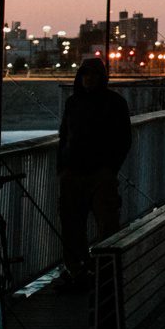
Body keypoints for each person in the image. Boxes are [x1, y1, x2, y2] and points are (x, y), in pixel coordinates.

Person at [57, 56, 133, 282]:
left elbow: (124, 139)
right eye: (85, 75)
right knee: (71, 226)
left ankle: (106, 272)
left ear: (102, 78)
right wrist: (62, 168)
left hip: (101, 174)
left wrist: (111, 169)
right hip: (72, 173)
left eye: (93, 75)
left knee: (107, 224)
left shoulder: (115, 103)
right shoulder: (73, 103)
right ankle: (76, 269)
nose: (88, 79)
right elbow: (64, 136)